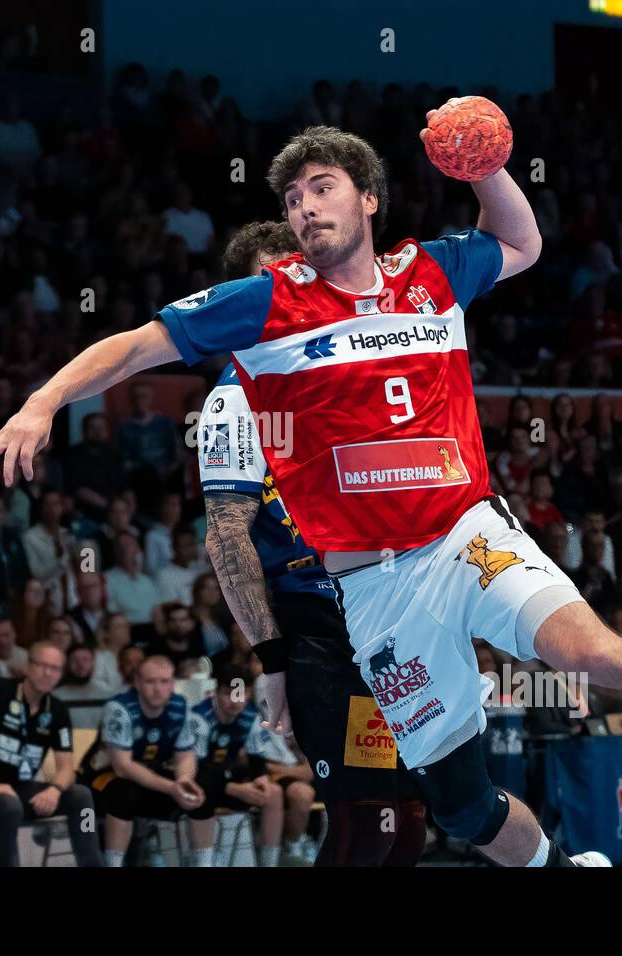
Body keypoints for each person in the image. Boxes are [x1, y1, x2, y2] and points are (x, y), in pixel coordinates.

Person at [0, 121, 622, 860]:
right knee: (457, 807)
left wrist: (488, 170)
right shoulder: (265, 304)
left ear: (368, 199)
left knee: (588, 653)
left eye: (321, 188)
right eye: (291, 200)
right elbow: (135, 345)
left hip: (464, 534)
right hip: (372, 587)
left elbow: (523, 241)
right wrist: (43, 400)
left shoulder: (433, 271)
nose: (304, 208)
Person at [195, 218, 430, 866]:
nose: (284, 296)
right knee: (368, 821)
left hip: (388, 617)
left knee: (411, 818)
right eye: (264, 287)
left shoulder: (353, 374)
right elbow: (226, 538)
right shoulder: (234, 402)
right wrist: (271, 658)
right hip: (317, 627)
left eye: (292, 279)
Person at [0, 641, 102, 867]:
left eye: (55, 668)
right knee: (9, 806)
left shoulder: (58, 710)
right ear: (27, 666)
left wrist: (54, 790)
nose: (48, 673)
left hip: (22, 788)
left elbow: (67, 766)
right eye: (41, 665)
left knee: (81, 795)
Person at [79, 655, 209, 866]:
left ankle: (205, 862)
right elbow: (123, 767)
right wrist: (171, 788)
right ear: (137, 683)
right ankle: (114, 863)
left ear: (173, 684)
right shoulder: (119, 708)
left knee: (202, 784)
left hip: (151, 777)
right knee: (125, 792)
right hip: (102, 777)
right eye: (150, 682)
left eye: (164, 681)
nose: (157, 689)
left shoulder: (180, 705)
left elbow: (186, 754)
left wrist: (184, 782)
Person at [188, 663, 313, 867]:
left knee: (272, 792)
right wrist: (235, 788)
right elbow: (196, 768)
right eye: (228, 693)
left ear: (249, 693)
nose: (234, 702)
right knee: (200, 789)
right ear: (216, 692)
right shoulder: (199, 718)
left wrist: (261, 778)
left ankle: (270, 862)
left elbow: (256, 758)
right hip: (201, 781)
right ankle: (205, 861)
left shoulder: (250, 715)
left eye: (240, 694)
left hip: (227, 778)